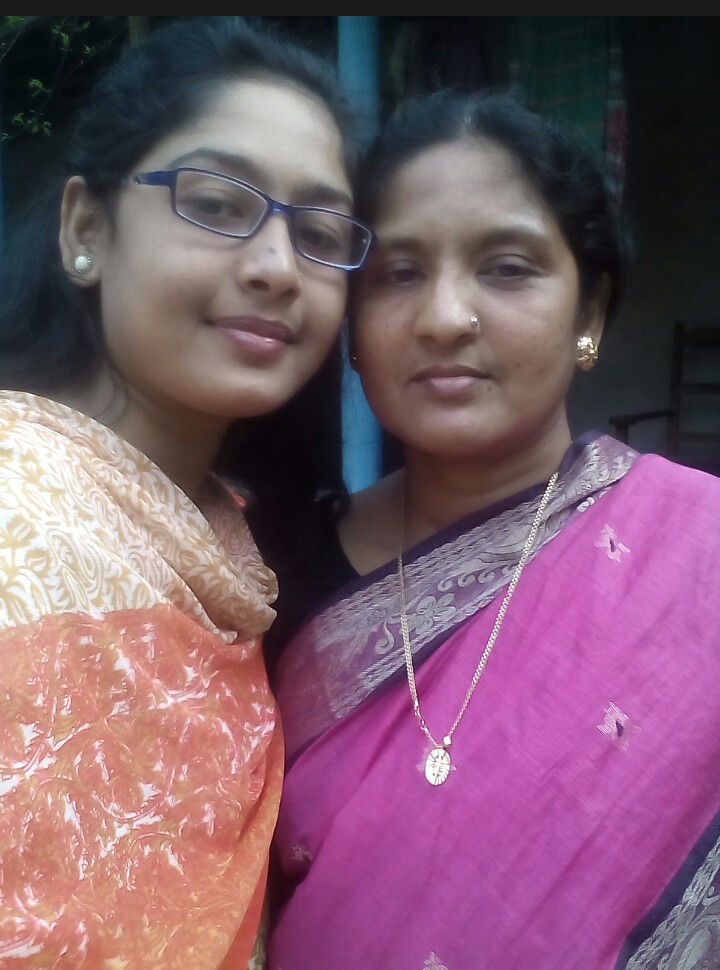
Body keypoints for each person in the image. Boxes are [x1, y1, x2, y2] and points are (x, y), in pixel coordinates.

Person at [261, 89, 720, 969]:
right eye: (399, 274)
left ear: (589, 313)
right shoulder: (266, 585)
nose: (444, 317)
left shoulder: (699, 550)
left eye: (507, 268)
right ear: (352, 326)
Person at [0, 15, 372, 970]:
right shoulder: (17, 506)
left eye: (320, 233)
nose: (277, 267)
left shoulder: (226, 534)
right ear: (86, 229)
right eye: (215, 203)